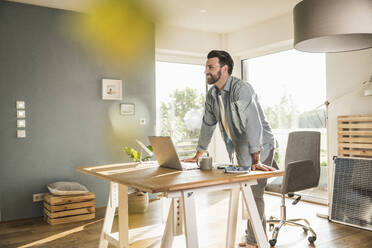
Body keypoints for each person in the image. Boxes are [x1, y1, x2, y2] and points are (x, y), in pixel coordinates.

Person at [182, 50, 276, 248]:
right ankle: (259, 234)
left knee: (254, 193)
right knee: (249, 193)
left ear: (224, 69)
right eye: (206, 67)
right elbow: (208, 124)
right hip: (242, 149)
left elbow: (253, 124)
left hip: (260, 146)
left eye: (210, 67)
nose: (206, 71)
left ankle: (256, 240)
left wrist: (256, 159)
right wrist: (198, 154)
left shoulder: (241, 89)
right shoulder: (212, 94)